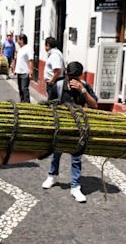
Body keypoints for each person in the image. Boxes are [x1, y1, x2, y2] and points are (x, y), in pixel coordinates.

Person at [42, 61, 98, 203]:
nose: (72, 80)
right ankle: (52, 176)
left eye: (75, 77)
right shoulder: (59, 85)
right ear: (66, 73)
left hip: (78, 128)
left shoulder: (84, 86)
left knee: (77, 157)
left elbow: (94, 105)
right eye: (70, 76)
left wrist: (83, 91)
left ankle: (75, 186)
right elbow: (49, 105)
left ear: (80, 76)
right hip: (61, 126)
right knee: (56, 153)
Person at [12, 34, 33, 103]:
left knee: (24, 89)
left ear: (22, 40)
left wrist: (31, 72)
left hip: (25, 72)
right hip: (19, 72)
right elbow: (18, 60)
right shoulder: (20, 49)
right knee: (20, 89)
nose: (17, 41)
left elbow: (30, 60)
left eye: (18, 39)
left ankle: (27, 103)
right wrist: (15, 69)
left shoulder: (28, 48)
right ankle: (22, 102)